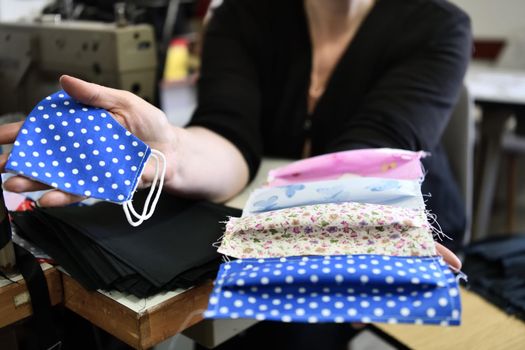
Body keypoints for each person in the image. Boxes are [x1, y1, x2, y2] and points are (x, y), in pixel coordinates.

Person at [0, 0, 470, 264]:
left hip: (400, 217)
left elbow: (374, 145)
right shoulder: (242, 17)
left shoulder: (437, 26)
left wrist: (355, 223)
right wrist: (173, 152)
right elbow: (231, 134)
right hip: (285, 215)